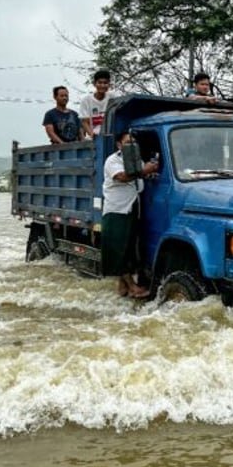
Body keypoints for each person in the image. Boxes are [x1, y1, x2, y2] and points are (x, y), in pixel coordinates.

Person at [102, 132, 159, 298]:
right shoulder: (113, 161)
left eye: (134, 142)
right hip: (117, 210)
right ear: (119, 145)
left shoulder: (137, 159)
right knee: (120, 250)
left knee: (128, 247)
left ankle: (123, 288)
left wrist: (150, 170)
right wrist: (144, 170)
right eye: (127, 142)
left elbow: (143, 175)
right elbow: (123, 177)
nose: (132, 145)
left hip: (133, 208)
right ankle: (133, 287)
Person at [79, 70, 120, 139]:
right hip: (95, 136)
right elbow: (85, 122)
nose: (102, 85)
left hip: (112, 134)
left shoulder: (113, 97)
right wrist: (92, 135)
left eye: (105, 83)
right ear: (94, 84)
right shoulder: (86, 100)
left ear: (109, 84)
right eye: (100, 83)